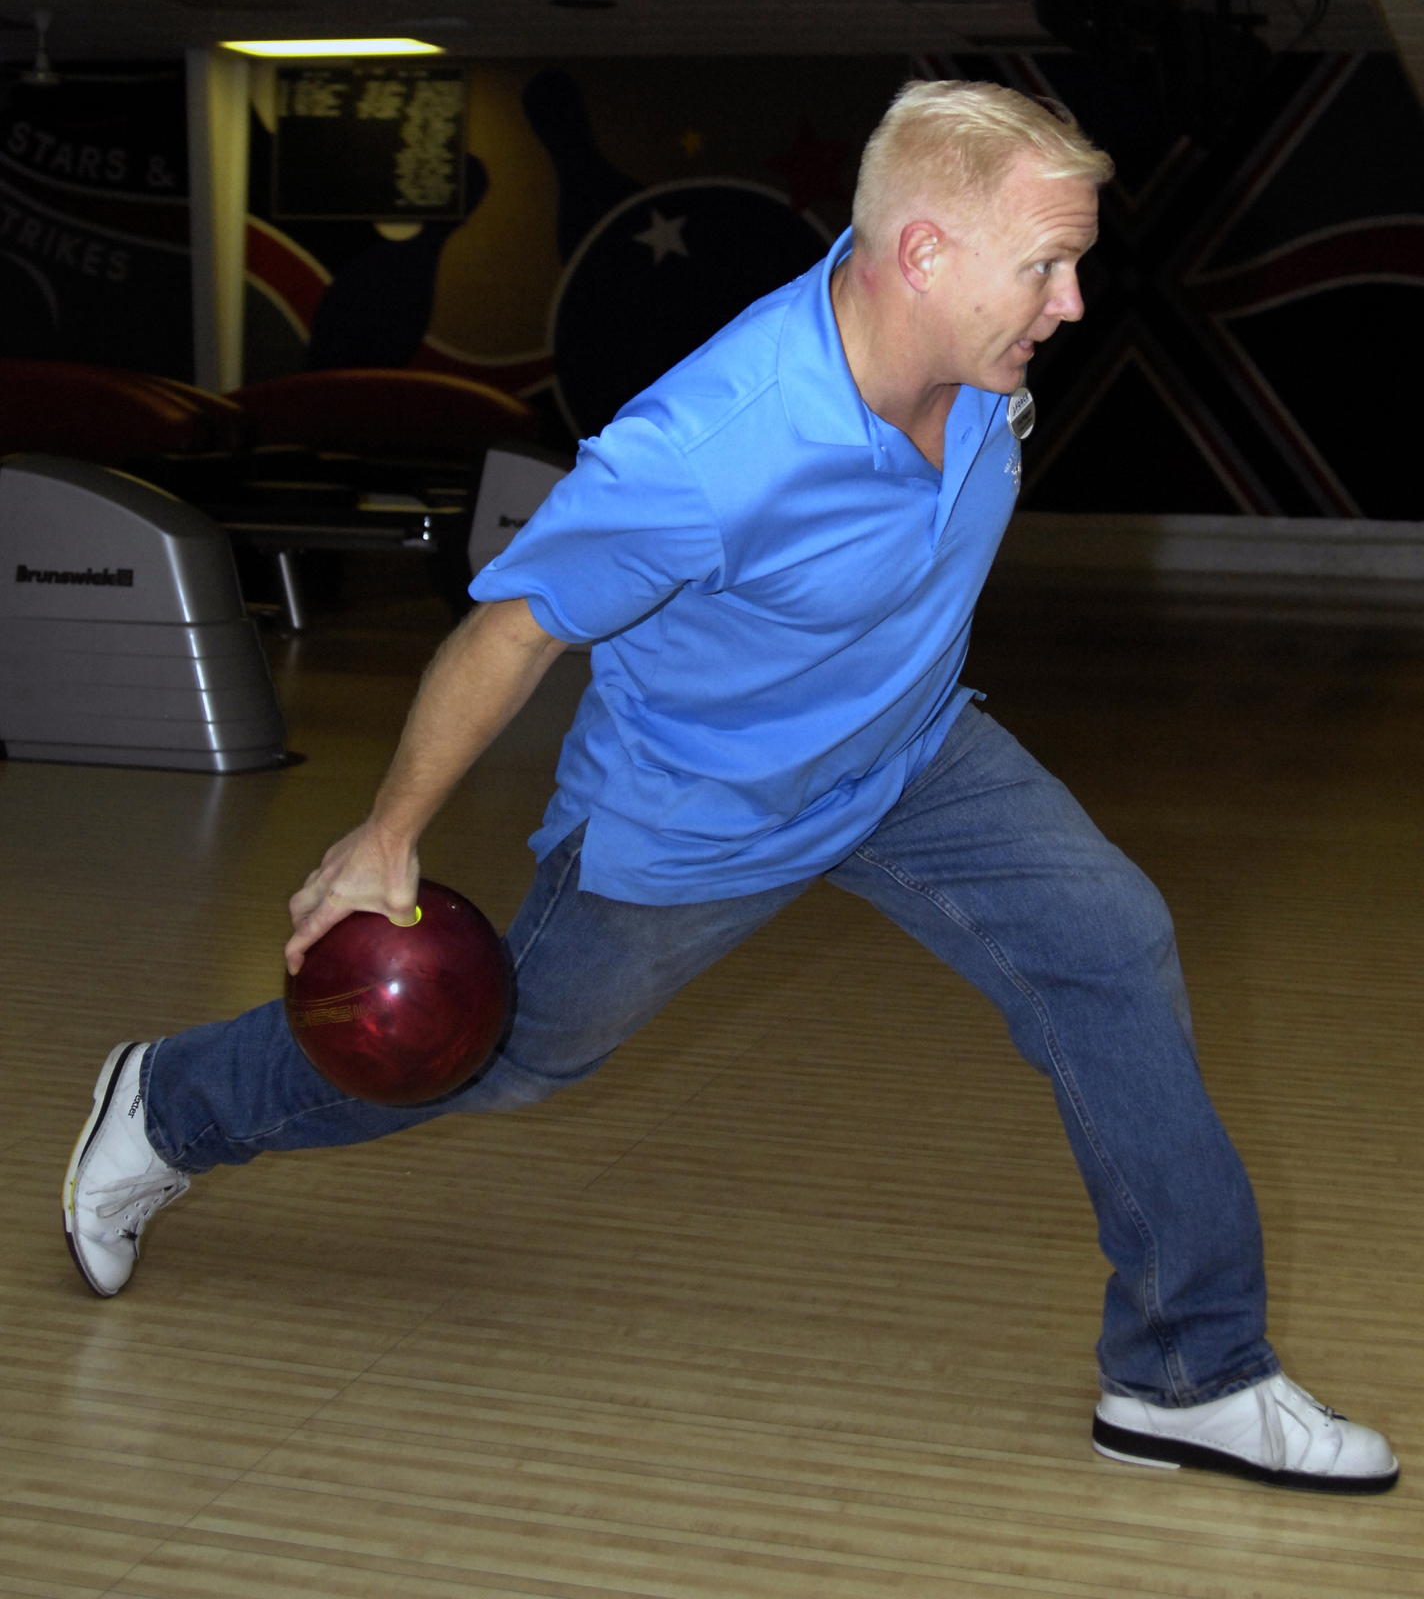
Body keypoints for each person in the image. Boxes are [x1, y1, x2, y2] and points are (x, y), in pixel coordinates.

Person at [63, 80, 1397, 1495]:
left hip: (910, 756)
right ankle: (168, 1104)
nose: (1071, 304)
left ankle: (1190, 1374)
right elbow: (512, 626)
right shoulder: (711, 450)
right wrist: (385, 834)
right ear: (927, 255)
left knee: (1112, 946)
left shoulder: (978, 359)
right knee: (501, 1055)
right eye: (1047, 266)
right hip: (698, 812)